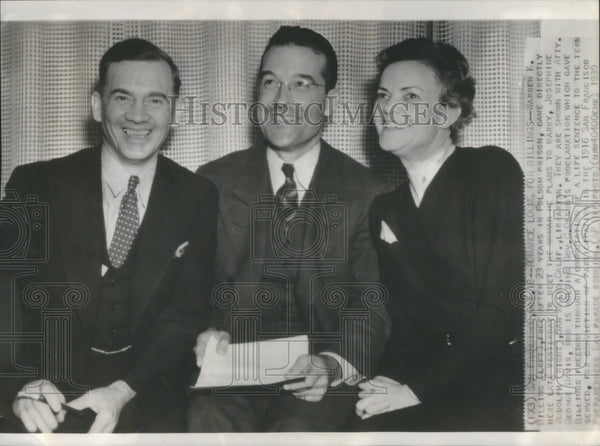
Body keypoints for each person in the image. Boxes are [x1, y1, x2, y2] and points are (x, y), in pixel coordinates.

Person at [0, 38, 218, 433]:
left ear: (175, 111)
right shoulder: (35, 185)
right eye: (122, 98)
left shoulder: (197, 197)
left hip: (148, 392)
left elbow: (186, 314)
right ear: (97, 105)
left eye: (155, 100)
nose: (138, 115)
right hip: (46, 393)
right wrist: (17, 386)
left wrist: (122, 391)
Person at [189, 26, 390, 432]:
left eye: (300, 84)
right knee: (207, 422)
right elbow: (185, 293)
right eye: (270, 83)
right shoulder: (211, 182)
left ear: (327, 103)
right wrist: (203, 333)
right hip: (233, 372)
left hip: (319, 378)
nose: (281, 100)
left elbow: (372, 307)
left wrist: (333, 364)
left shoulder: (367, 192)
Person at [354, 38, 524, 431]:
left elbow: (502, 312)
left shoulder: (491, 170)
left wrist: (410, 392)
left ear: (448, 112)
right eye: (383, 95)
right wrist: (384, 388)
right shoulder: (385, 208)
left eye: (409, 96)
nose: (388, 108)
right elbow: (404, 326)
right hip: (422, 374)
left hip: (494, 378)